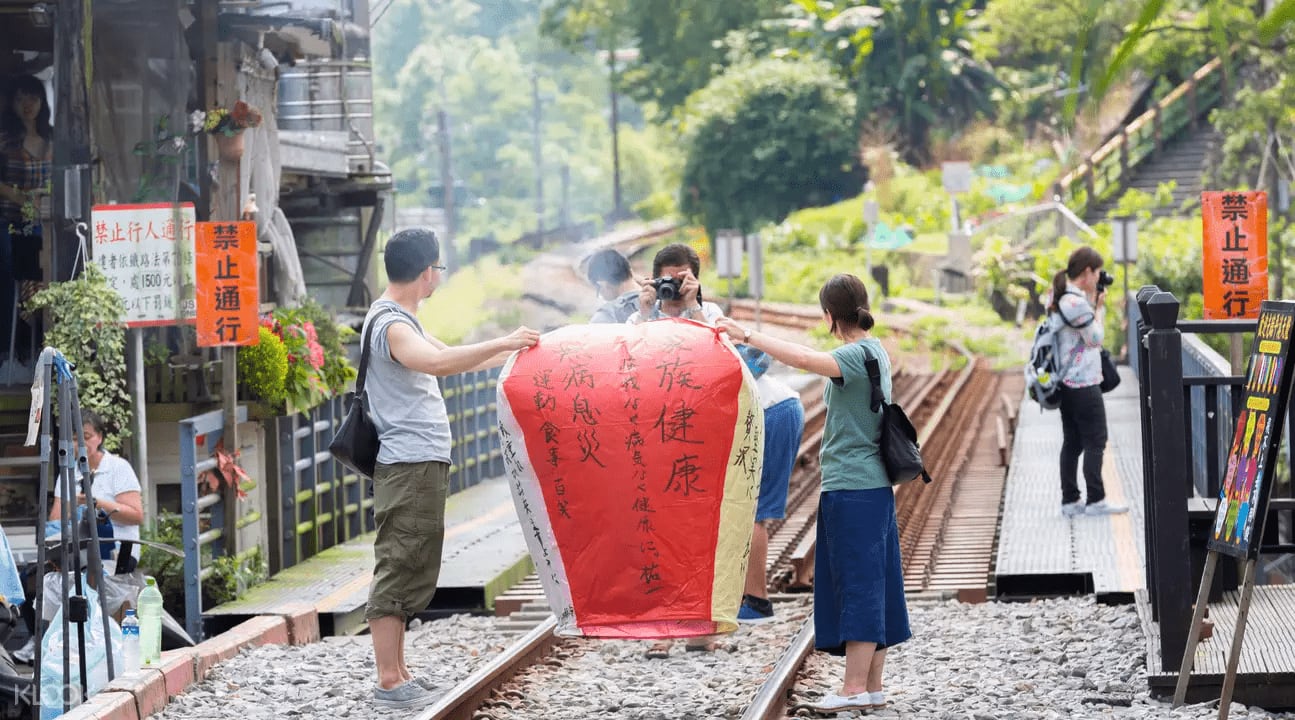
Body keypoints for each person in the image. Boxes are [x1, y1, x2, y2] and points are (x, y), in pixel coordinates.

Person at [362, 228, 539, 709]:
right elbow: (437, 364)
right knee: (399, 562)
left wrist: (524, 354)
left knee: (414, 560)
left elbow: (455, 358)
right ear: (427, 273)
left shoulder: (402, 318)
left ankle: (399, 672)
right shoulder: (392, 325)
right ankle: (387, 681)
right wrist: (504, 340)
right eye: (438, 268)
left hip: (419, 461)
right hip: (408, 462)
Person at [718, 273, 910, 713]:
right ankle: (872, 685)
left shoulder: (855, 355)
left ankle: (853, 688)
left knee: (858, 584)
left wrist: (747, 334)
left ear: (828, 315)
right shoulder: (875, 348)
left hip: (852, 488)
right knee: (874, 581)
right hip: (872, 486)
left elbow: (806, 358)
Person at [15, 410, 145, 663]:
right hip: (78, 549)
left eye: (87, 436)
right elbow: (56, 521)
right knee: (30, 578)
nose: (81, 444)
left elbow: (136, 515)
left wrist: (97, 504)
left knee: (85, 580)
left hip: (115, 551)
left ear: (99, 438)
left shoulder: (118, 468)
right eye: (75, 438)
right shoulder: (69, 473)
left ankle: (91, 646)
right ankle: (41, 640)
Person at [1048, 247, 1128, 517]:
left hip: (1067, 383)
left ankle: (1070, 501)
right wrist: (1099, 309)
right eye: (1096, 272)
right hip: (1082, 383)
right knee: (1096, 440)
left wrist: (1092, 302)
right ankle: (1096, 500)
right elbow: (1094, 338)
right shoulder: (1075, 303)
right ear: (1087, 273)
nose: (1098, 277)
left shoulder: (1060, 296)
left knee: (1072, 442)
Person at [734, 344, 805, 624]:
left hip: (768, 412)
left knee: (752, 509)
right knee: (747, 507)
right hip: (778, 404)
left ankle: (757, 601)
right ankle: (747, 595)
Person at [0, 75, 52, 370]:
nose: (27, 104)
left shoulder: (54, 139)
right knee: (10, 269)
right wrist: (23, 198)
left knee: (48, 273)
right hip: (9, 221)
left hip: (45, 223)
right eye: (20, 99)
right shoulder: (5, 140)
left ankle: (39, 346)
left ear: (42, 102)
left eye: (32, 97)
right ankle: (10, 349)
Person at [626, 243, 725, 325]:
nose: (672, 287)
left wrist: (693, 306)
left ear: (694, 280)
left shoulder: (709, 312)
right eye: (668, 280)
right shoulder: (639, 317)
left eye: (679, 281)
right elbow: (630, 346)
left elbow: (714, 344)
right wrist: (644, 314)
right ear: (654, 281)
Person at [585, 248, 640, 324]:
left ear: (603, 284)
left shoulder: (605, 317)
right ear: (630, 271)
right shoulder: (659, 300)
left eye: (598, 291)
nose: (601, 296)